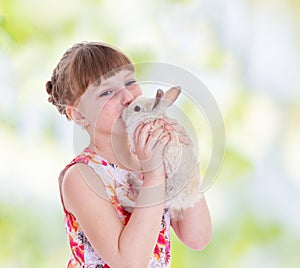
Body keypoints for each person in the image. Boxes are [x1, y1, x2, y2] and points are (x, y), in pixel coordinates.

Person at [46, 41, 212, 268]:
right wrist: (153, 175)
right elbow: (129, 262)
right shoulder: (81, 176)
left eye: (130, 82)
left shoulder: (150, 159)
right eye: (107, 92)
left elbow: (198, 237)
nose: (127, 96)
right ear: (78, 115)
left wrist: (182, 162)